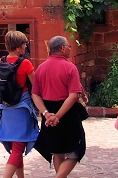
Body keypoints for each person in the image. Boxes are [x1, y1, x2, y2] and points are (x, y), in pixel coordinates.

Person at [32, 36, 85, 178]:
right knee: (76, 151)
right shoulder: (70, 67)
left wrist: (46, 113)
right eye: (68, 46)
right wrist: (58, 116)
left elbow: (35, 95)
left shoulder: (40, 68)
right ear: (62, 48)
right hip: (66, 112)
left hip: (48, 110)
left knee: (57, 150)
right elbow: (73, 95)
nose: (69, 48)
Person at [0, 31, 39, 178]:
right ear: (19, 47)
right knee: (19, 146)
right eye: (24, 43)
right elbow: (36, 85)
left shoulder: (1, 61)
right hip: (22, 108)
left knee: (15, 146)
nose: (26, 46)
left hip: (6, 108)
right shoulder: (25, 63)